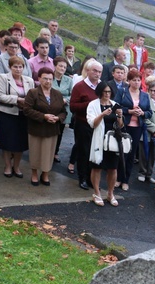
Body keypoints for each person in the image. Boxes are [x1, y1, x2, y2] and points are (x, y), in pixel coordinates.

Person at [22, 67, 65, 186]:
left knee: (48, 153)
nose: (48, 81)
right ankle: (34, 173)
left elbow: (63, 111)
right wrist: (44, 116)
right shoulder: (33, 93)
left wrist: (58, 118)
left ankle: (45, 174)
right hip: (37, 128)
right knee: (35, 152)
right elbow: (27, 110)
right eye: (45, 78)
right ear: (39, 78)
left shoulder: (57, 94)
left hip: (52, 129)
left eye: (50, 79)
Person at [0, 55, 34, 178]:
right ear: (10, 67)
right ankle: (7, 165)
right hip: (8, 114)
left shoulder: (29, 80)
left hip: (23, 115)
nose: (18, 69)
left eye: (20, 67)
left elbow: (32, 97)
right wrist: (17, 99)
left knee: (20, 143)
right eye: (15, 67)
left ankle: (16, 166)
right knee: (7, 141)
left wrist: (27, 103)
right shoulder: (4, 78)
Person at [87, 82, 124, 207]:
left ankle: (110, 193)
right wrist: (102, 114)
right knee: (97, 166)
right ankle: (97, 193)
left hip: (112, 141)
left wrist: (120, 116)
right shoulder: (93, 105)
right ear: (100, 92)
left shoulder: (115, 105)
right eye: (105, 91)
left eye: (109, 92)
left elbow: (120, 125)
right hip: (99, 139)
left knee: (113, 168)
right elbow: (92, 123)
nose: (107, 94)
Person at [70, 59, 102, 190]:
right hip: (83, 123)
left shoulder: (102, 86)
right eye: (95, 71)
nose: (97, 74)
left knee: (94, 152)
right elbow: (73, 107)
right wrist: (90, 105)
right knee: (83, 151)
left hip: (98, 125)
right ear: (88, 71)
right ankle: (82, 178)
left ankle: (90, 178)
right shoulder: (80, 86)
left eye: (100, 72)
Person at [118, 68, 151, 191]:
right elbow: (116, 106)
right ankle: (118, 178)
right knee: (122, 152)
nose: (137, 82)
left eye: (138, 80)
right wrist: (130, 111)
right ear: (129, 81)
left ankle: (125, 180)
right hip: (124, 125)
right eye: (134, 80)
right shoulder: (122, 91)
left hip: (137, 128)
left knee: (131, 154)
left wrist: (142, 113)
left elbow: (149, 112)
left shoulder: (145, 95)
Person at [52, 56, 72, 164]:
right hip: (50, 108)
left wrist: (66, 99)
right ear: (55, 66)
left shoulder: (69, 80)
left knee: (60, 132)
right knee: (49, 131)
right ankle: (48, 151)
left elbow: (72, 95)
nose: (62, 68)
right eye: (60, 66)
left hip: (63, 109)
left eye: (64, 67)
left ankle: (55, 152)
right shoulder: (49, 77)